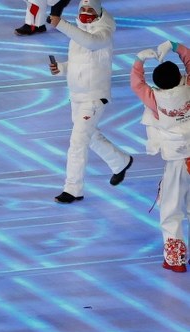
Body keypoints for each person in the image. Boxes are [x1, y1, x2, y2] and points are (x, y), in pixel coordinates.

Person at [49, 0, 132, 204]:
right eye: (82, 10)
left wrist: (60, 23)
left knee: (78, 142)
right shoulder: (79, 31)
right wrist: (61, 68)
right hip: (76, 96)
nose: (85, 13)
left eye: (90, 10)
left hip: (94, 97)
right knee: (90, 136)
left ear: (99, 12)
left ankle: (73, 189)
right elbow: (81, 60)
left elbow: (91, 43)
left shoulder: (104, 32)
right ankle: (120, 161)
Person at [130, 40, 190, 272]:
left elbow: (136, 84)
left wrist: (139, 60)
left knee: (171, 209)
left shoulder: (155, 99)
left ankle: (175, 260)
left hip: (178, 162)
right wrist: (176, 47)